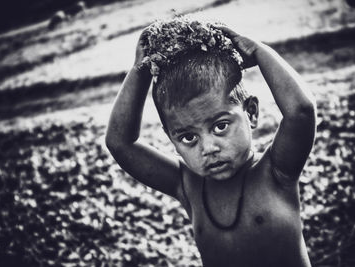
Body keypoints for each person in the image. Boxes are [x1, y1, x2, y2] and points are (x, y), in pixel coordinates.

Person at [105, 20, 316, 267]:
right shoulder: (188, 186)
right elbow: (120, 143)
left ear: (251, 113)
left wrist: (258, 52)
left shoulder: (276, 173)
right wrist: (140, 70)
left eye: (220, 127)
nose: (208, 148)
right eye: (188, 137)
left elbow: (300, 112)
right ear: (170, 138)